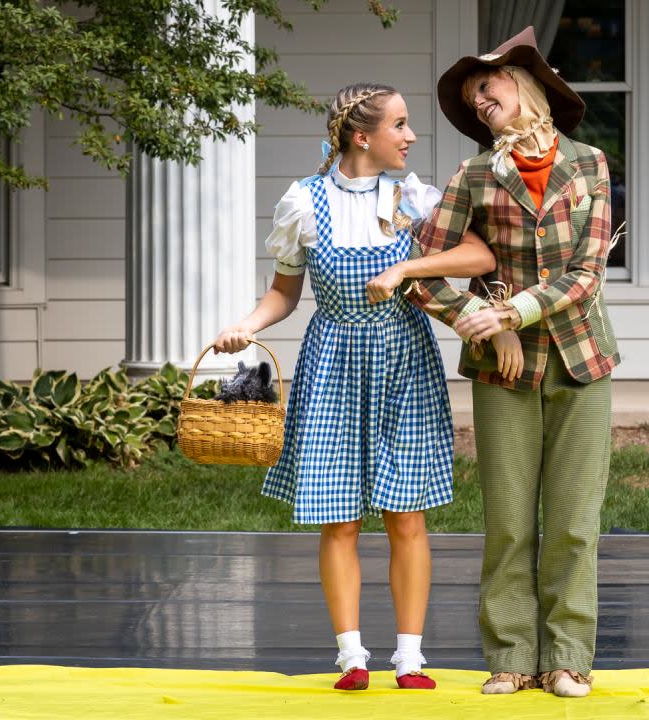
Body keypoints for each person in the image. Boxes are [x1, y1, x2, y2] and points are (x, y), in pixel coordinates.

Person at [212, 83, 502, 691]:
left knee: (406, 516)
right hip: (333, 362)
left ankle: (410, 657)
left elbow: (478, 257)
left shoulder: (412, 196)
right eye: (400, 124)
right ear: (362, 136)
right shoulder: (303, 201)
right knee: (338, 518)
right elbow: (285, 293)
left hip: (403, 358)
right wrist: (245, 325)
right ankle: (351, 655)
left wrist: (406, 267)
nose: (411, 136)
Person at [391, 27, 621, 698]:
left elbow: (586, 275)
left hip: (581, 357)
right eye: (470, 96)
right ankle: (513, 657)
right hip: (503, 370)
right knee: (510, 521)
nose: (478, 99)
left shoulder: (590, 165)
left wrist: (514, 312)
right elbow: (423, 269)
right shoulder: (472, 175)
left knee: (575, 522)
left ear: (526, 85)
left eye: (484, 86)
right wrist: (479, 323)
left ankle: (569, 658)